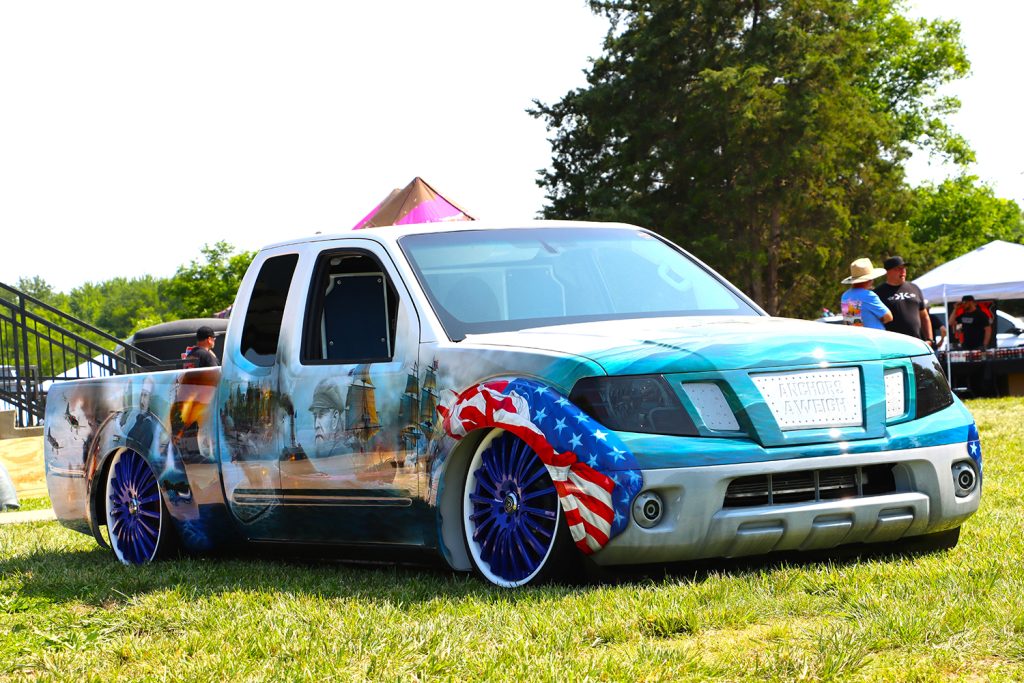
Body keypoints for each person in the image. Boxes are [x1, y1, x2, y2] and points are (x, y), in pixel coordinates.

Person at [874, 256, 933, 345]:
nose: (903, 271)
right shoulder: (878, 293)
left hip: (917, 344)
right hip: (892, 345)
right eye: (898, 269)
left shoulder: (914, 288)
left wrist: (930, 339)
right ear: (888, 272)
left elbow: (924, 316)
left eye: (904, 268)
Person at [840, 258, 893, 329]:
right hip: (874, 334)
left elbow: (852, 322)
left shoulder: (846, 296)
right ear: (869, 280)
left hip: (857, 335)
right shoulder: (868, 295)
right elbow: (888, 317)